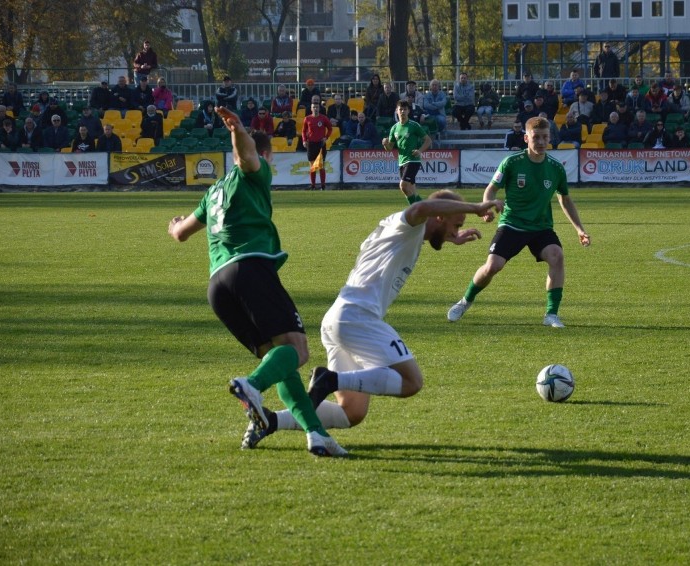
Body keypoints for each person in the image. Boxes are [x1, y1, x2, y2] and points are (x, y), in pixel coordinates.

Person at [246, 191, 502, 447]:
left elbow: (428, 216)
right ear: (439, 215)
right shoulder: (408, 226)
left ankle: (270, 421)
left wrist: (450, 235)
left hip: (338, 319)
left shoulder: (406, 232)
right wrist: (475, 206)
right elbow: (421, 207)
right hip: (358, 317)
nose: (457, 230)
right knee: (412, 382)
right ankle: (329, 379)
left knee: (351, 411)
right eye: (455, 224)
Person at [167, 106, 346, 458]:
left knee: (279, 359)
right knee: (297, 350)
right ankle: (251, 386)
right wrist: (236, 128)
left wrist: (173, 226)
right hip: (250, 270)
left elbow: (181, 234)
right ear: (265, 155)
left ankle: (316, 433)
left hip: (218, 287)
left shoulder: (212, 194)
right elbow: (248, 156)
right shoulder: (254, 172)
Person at [447, 116, 590, 328]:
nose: (541, 142)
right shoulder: (512, 162)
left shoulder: (556, 167)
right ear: (526, 138)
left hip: (541, 227)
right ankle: (465, 301)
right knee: (493, 266)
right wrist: (486, 207)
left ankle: (551, 314)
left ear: (550, 138)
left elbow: (565, 199)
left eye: (545, 137)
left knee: (557, 256)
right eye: (536, 137)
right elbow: (491, 189)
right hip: (512, 224)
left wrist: (579, 229)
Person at [382, 99, 432, 204]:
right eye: (401, 109)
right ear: (397, 111)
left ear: (408, 111)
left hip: (413, 160)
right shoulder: (394, 128)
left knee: (403, 186)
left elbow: (428, 140)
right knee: (411, 190)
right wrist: (385, 144)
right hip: (401, 161)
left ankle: (414, 213)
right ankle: (424, 211)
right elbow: (390, 148)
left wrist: (420, 151)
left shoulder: (414, 125)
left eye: (405, 109)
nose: (403, 112)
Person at [302, 96, 331, 190]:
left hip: (320, 144)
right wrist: (304, 140)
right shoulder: (307, 119)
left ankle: (323, 185)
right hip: (311, 144)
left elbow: (330, 129)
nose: (315, 109)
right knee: (312, 166)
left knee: (321, 166)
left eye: (317, 107)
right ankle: (313, 185)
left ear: (319, 108)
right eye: (313, 107)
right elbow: (303, 131)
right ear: (311, 108)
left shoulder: (323, 118)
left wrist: (326, 137)